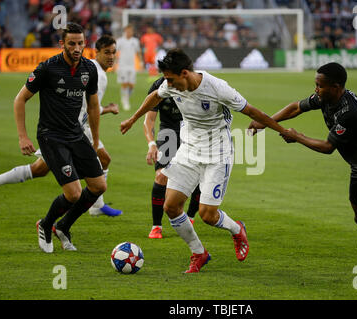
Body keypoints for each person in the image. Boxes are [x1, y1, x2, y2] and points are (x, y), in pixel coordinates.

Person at [120, 48, 288, 273]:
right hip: (188, 152)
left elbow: (252, 111)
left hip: (217, 155)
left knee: (207, 215)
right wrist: (133, 119)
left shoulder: (217, 88)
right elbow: (154, 97)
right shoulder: (169, 85)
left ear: (185, 73)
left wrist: (281, 130)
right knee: (171, 206)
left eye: (171, 79)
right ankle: (199, 253)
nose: (167, 84)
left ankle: (237, 229)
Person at [249, 62, 357, 280]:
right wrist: (266, 122)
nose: (316, 90)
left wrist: (298, 137)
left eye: (320, 86)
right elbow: (296, 107)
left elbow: (328, 147)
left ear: (336, 87)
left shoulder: (350, 113)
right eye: (315, 85)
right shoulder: (326, 98)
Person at [0, 35, 122, 217]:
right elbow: (88, 108)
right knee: (44, 170)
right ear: (97, 52)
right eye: (107, 52)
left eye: (114, 53)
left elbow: (89, 107)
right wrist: (108, 110)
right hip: (70, 130)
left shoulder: (94, 71)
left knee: (41, 169)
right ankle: (93, 207)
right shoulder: (96, 74)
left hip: (75, 129)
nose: (111, 57)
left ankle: (97, 205)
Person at [13, 22, 107, 253]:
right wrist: (23, 137)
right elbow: (20, 99)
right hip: (51, 135)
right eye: (72, 43)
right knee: (74, 193)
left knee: (98, 186)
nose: (77, 48)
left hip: (75, 133)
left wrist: (95, 141)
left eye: (80, 43)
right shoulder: (48, 68)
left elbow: (94, 106)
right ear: (61, 44)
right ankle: (45, 225)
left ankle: (63, 226)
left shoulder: (89, 69)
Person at [144, 77, 200, 239]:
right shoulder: (159, 86)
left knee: (199, 177)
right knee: (161, 176)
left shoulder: (195, 83)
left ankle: (190, 217)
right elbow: (149, 119)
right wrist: (151, 144)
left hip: (193, 134)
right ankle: (156, 226)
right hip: (169, 134)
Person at [116, 24, 141, 111]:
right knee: (124, 83)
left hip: (132, 66)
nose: (129, 32)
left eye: (131, 31)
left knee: (131, 85)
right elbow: (115, 52)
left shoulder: (135, 41)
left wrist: (141, 62)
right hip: (122, 66)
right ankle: (125, 101)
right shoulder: (120, 41)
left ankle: (125, 97)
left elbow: (138, 52)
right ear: (125, 31)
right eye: (128, 30)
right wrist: (114, 63)